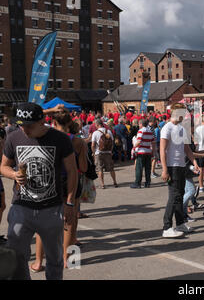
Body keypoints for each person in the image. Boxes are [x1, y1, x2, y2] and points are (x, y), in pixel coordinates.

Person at [1, 103, 78, 280]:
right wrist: (13, 174)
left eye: (30, 125)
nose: (25, 129)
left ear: (43, 121)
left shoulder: (60, 139)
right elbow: (3, 166)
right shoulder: (13, 137)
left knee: (55, 259)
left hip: (51, 208)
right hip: (21, 207)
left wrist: (70, 202)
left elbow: (73, 171)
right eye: (22, 124)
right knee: (16, 256)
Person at [30, 110, 88, 271]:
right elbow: (83, 167)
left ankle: (38, 262)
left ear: (53, 123)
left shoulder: (48, 138)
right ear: (70, 122)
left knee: (42, 223)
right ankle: (68, 260)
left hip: (50, 180)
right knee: (70, 221)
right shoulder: (78, 142)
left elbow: (33, 115)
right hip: (72, 181)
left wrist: (51, 110)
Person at [160, 103, 200, 238]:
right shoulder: (167, 128)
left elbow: (187, 148)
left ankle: (180, 223)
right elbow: (162, 150)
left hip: (181, 166)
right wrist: (165, 169)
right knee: (174, 196)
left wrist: (194, 162)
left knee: (180, 195)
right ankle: (167, 227)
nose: (185, 116)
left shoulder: (182, 129)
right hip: (172, 166)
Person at [91, 119, 118, 189]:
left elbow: (93, 145)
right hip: (108, 153)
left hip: (98, 153)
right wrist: (110, 151)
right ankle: (115, 182)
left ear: (97, 125)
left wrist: (93, 153)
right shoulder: (108, 131)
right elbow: (112, 142)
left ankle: (102, 184)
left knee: (100, 169)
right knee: (111, 168)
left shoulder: (95, 133)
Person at [130, 119, 155, 189]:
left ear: (141, 124)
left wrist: (134, 147)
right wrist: (152, 150)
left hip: (141, 151)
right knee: (147, 168)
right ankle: (148, 182)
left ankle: (137, 183)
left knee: (139, 168)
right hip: (148, 151)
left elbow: (138, 141)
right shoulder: (150, 131)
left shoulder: (140, 131)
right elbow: (153, 142)